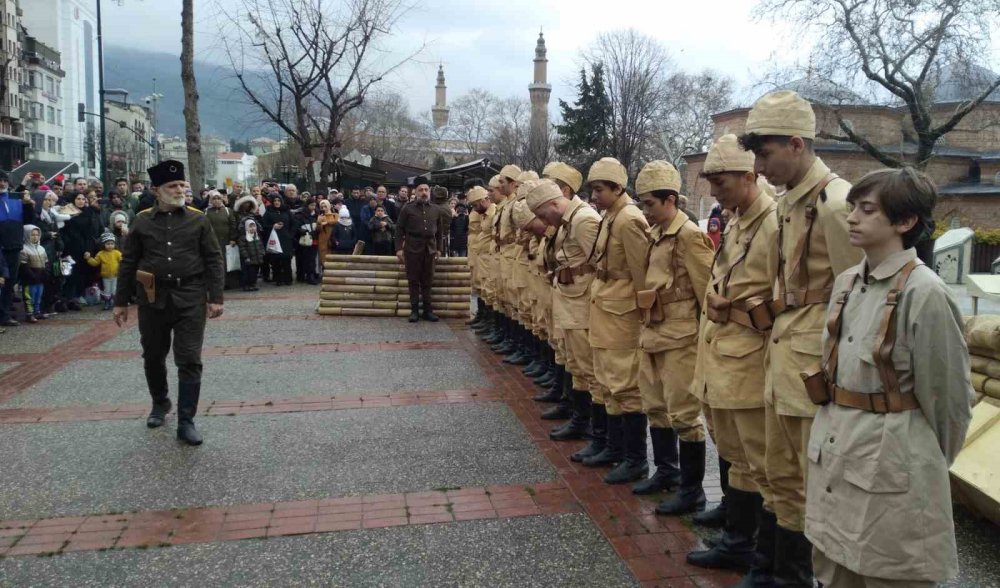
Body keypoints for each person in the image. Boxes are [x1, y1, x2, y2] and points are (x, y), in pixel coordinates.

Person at [806, 167, 974, 587]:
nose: (853, 219)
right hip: (836, 458)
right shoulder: (847, 283)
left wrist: (918, 462)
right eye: (852, 209)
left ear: (905, 221)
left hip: (891, 471)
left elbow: (950, 402)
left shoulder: (925, 293)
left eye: (867, 210)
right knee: (833, 571)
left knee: (890, 573)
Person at [738, 90, 862, 585]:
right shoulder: (791, 204)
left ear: (795, 144)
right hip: (785, 355)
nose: (759, 166)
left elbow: (856, 299)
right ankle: (777, 571)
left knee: (814, 481)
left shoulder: (836, 205)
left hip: (815, 363)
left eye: (765, 154)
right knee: (781, 474)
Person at [685, 135, 779, 578]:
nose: (714, 192)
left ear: (750, 175)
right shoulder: (738, 221)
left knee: (763, 467)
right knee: (739, 458)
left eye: (721, 182)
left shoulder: (777, 223)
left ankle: (765, 559)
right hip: (723, 355)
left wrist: (737, 310)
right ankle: (738, 542)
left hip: (751, 358)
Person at [113, 160, 225, 446]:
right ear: (156, 190)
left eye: (181, 185)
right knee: (152, 355)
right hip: (152, 298)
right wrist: (121, 302)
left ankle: (186, 421)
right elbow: (128, 262)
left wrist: (215, 297)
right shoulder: (142, 220)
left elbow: (213, 258)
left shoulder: (198, 219)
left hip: (190, 297)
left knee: (188, 358)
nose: (179, 190)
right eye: (172, 186)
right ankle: (160, 403)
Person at [632, 160, 714, 515]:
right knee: (654, 405)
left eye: (649, 203)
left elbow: (706, 293)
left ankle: (692, 489)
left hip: (680, 338)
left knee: (684, 414)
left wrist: (705, 344)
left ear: (670, 200)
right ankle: (666, 470)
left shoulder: (689, 236)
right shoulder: (656, 234)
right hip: (653, 332)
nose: (644, 211)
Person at [582, 157, 651, 485]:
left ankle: (635, 458)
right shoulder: (612, 216)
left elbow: (642, 277)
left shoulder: (629, 219)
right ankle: (614, 447)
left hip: (623, 316)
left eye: (599, 189)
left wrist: (644, 317)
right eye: (593, 189)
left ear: (618, 187)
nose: (594, 195)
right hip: (607, 310)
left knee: (626, 386)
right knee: (608, 382)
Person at [528, 167, 603, 454]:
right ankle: (580, 417)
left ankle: (592, 428)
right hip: (570, 299)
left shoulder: (584, 221)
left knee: (588, 368)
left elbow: (598, 266)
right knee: (576, 364)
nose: (545, 223)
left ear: (557, 203)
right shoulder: (569, 220)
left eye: (545, 215)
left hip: (583, 304)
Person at [394, 182, 448, 322]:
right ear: (415, 192)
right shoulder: (407, 209)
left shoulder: (436, 209)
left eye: (426, 190)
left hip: (430, 249)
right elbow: (399, 229)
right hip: (412, 248)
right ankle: (414, 311)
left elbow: (440, 232)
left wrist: (439, 249)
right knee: (413, 280)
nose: (424, 192)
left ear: (429, 192)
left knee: (427, 281)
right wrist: (399, 248)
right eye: (420, 190)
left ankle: (428, 311)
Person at [0, 170, 36, 326]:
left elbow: (28, 220)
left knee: (10, 282)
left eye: (4, 180)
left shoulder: (15, 198)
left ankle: (5, 314)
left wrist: (28, 206)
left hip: (14, 246)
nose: (2, 183)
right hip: (1, 248)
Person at [261, 194, 295, 286]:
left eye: (278, 201)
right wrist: (272, 226)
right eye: (275, 201)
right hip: (274, 239)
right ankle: (278, 279)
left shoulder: (287, 212)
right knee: (276, 260)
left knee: (286, 260)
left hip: (286, 239)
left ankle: (288, 279)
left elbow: (293, 224)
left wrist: (290, 235)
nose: (277, 202)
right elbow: (263, 225)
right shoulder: (268, 212)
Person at [84, 233, 122, 310]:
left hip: (115, 275)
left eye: (112, 244)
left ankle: (114, 302)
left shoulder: (117, 253)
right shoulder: (100, 254)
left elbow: (122, 261)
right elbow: (95, 262)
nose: (110, 245)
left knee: (114, 289)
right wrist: (88, 258)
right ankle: (107, 302)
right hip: (106, 276)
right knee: (107, 290)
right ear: (104, 244)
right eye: (108, 244)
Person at [19, 225, 48, 322]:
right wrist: (32, 275)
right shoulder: (23, 249)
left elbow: (46, 261)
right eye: (32, 235)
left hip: (40, 276)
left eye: (37, 235)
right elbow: (24, 265)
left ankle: (37, 311)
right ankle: (29, 314)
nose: (35, 237)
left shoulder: (42, 249)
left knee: (38, 295)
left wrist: (46, 272)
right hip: (30, 277)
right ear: (27, 235)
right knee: (29, 296)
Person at [294, 199, 320, 284]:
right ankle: (301, 275)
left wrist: (315, 231)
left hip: (314, 239)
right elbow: (297, 228)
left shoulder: (316, 215)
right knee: (303, 258)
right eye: (311, 205)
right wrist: (305, 232)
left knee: (311, 259)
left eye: (314, 205)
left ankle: (310, 275)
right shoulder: (300, 215)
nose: (313, 207)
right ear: (307, 205)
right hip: (304, 240)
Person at [237, 218, 264, 291]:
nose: (252, 228)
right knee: (247, 273)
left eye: (254, 226)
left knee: (255, 272)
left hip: (257, 258)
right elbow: (242, 248)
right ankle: (246, 285)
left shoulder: (257, 236)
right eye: (250, 227)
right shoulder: (244, 237)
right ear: (246, 227)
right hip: (248, 259)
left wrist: (262, 253)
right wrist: (246, 256)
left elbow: (261, 245)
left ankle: (253, 284)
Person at [316, 199, 338, 271]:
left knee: (333, 254)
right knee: (323, 256)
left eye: (325, 206)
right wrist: (319, 223)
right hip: (323, 238)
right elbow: (318, 230)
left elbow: (337, 222)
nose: (324, 208)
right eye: (322, 207)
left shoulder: (335, 215)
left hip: (333, 238)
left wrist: (327, 222)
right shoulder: (320, 217)